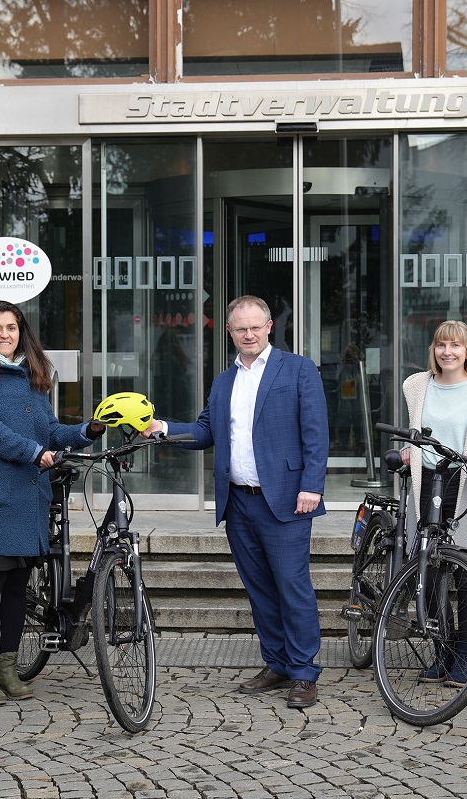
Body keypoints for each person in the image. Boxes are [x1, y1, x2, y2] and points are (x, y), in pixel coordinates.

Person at [143, 295, 328, 709]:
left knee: (292, 587)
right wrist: (161, 429)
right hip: (238, 502)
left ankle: (303, 672)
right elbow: (206, 431)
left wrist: (312, 485)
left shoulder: (298, 369)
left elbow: (316, 433)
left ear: (268, 327)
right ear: (229, 332)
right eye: (240, 328)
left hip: (285, 501)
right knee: (260, 588)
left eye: (255, 326)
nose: (248, 334)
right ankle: (277, 663)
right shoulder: (224, 380)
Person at [0, 300, 106, 706]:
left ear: (22, 332)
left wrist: (87, 430)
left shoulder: (34, 375)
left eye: (12, 327)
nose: (5, 334)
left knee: (18, 592)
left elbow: (50, 430)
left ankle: (8, 668)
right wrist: (34, 452)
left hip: (28, 501)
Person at [399, 320, 467, 685]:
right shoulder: (418, 387)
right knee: (428, 570)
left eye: (455, 346)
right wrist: (407, 451)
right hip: (426, 483)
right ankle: (443, 655)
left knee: (465, 573)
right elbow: (417, 437)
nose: (447, 352)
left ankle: (465, 656)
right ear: (434, 350)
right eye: (441, 345)